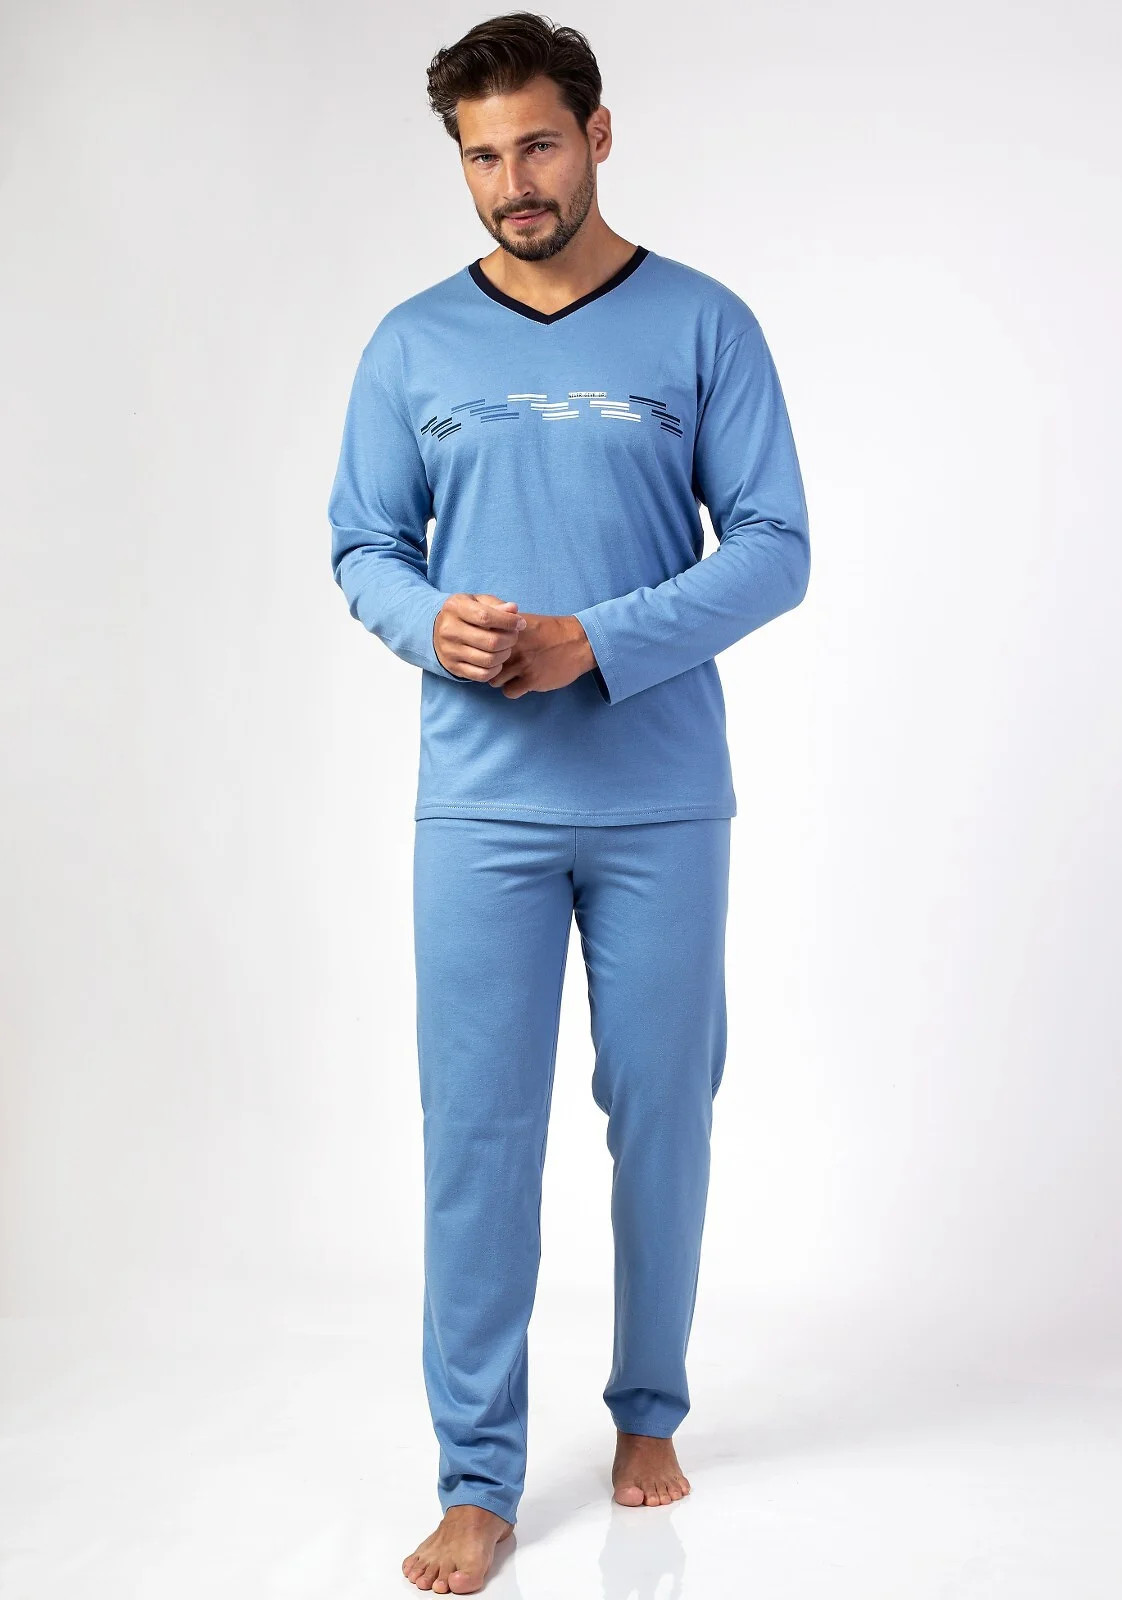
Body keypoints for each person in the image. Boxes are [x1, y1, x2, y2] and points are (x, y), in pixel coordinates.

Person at [327, 12, 810, 1593]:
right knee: (477, 1133)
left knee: (662, 1108)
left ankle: (647, 1408)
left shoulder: (702, 323)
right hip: (479, 809)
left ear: (596, 135)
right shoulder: (411, 344)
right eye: (481, 156)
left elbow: (774, 547)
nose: (511, 182)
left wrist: (594, 640)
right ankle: (477, 1479)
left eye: (536, 144)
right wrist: (432, 624)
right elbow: (362, 545)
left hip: (661, 799)